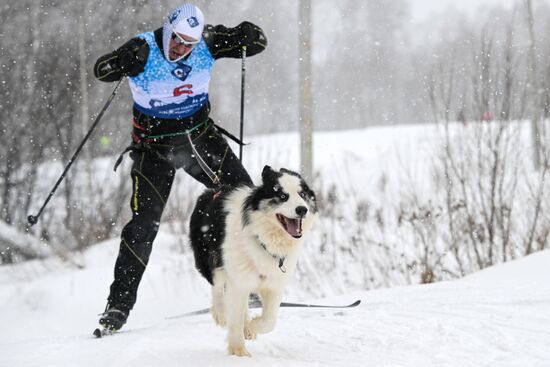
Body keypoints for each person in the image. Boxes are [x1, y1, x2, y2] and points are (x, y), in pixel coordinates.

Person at [93, 3, 267, 331]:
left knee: (245, 200)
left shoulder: (208, 42)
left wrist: (247, 35)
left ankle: (246, 284)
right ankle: (117, 307)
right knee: (143, 226)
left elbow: (258, 42)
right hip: (153, 150)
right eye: (176, 40)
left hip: (199, 140)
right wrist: (120, 62)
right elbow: (101, 70)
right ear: (168, 29)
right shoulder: (143, 49)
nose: (181, 48)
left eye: (189, 43)